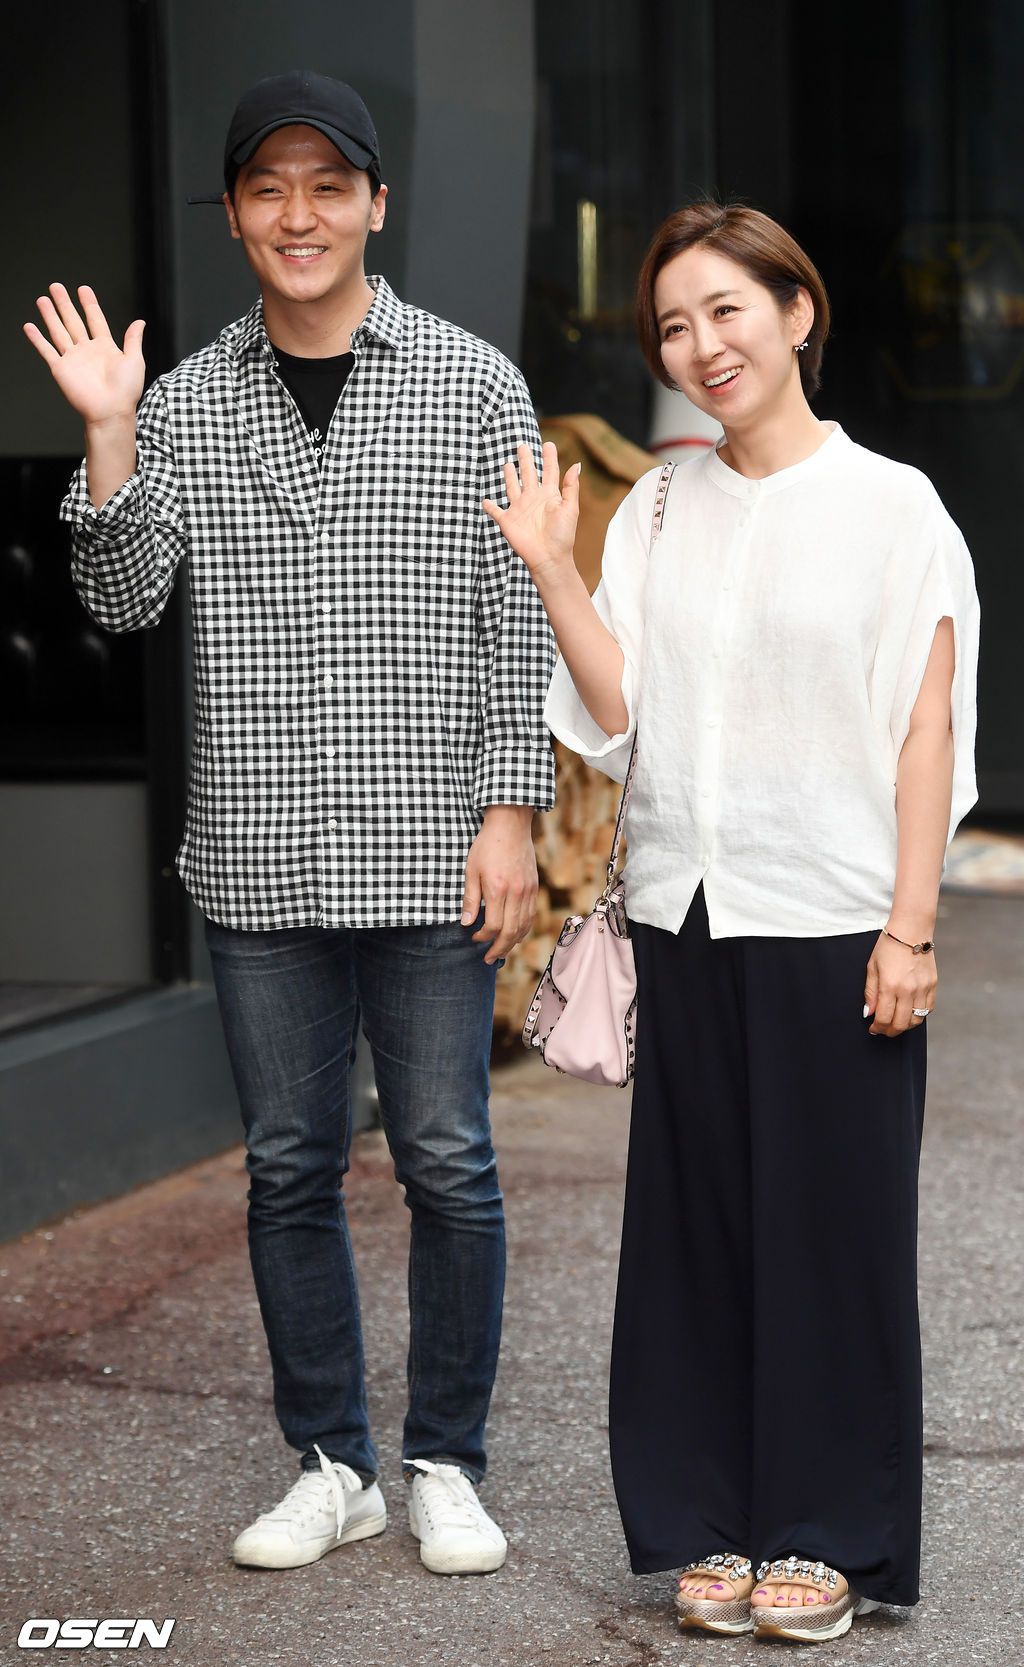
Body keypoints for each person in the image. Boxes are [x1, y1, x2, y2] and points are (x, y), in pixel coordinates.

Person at [25, 69, 555, 1578]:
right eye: (269, 189)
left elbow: (518, 611)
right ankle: (333, 1463)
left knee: (447, 1158)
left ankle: (445, 1460)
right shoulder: (187, 399)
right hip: (260, 854)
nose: (299, 214)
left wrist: (512, 809)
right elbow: (124, 598)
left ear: (379, 203)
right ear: (236, 216)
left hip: (433, 844)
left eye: (329, 186)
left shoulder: (473, 384)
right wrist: (111, 434)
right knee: (286, 1167)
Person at [483, 201, 979, 1642]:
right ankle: (705, 1519)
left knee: (835, 1238)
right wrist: (556, 568)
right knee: (695, 1235)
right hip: (685, 916)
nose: (701, 346)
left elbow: (927, 731)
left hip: (835, 919)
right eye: (672, 326)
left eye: (726, 310)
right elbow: (619, 714)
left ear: (797, 313)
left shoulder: (896, 509)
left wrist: (911, 928)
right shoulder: (655, 506)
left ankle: (827, 1537)